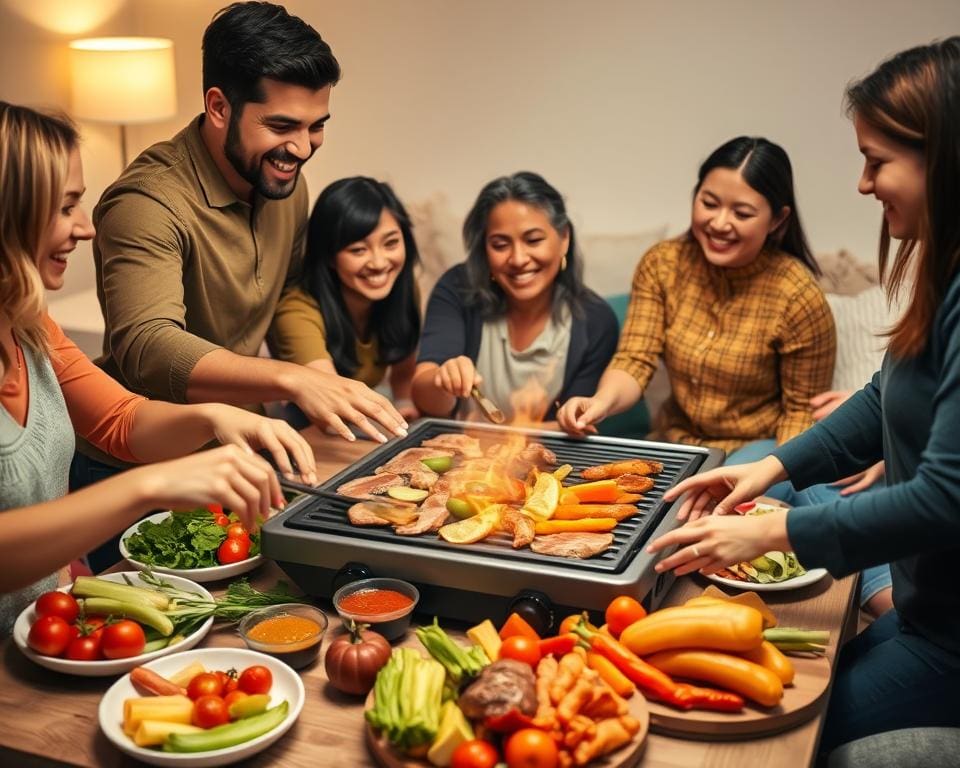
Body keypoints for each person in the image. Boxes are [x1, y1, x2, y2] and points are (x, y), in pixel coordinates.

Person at [647, 37, 960, 754]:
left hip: (950, 641)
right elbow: (887, 394)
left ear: (944, 160)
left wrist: (771, 530)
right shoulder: (945, 268)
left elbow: (947, 497)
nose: (861, 184)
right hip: (926, 613)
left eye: (876, 162)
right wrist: (773, 469)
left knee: (776, 735)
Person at [0, 102, 318, 632]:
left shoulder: (29, 324)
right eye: (65, 207)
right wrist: (151, 486)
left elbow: (120, 421)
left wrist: (214, 417)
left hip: (35, 636)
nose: (85, 228)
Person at [89, 2, 406, 447]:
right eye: (281, 125)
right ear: (219, 107)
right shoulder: (146, 202)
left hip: (243, 445)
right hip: (142, 458)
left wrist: (319, 374)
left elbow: (288, 292)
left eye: (316, 126)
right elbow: (149, 348)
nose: (301, 148)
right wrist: (291, 379)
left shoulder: (285, 182)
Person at [557, 136, 836, 457]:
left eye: (742, 214)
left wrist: (772, 472)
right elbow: (635, 358)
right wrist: (600, 402)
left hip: (757, 448)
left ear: (777, 220)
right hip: (676, 440)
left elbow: (802, 413)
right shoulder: (662, 264)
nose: (719, 223)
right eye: (709, 203)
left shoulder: (798, 296)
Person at [411, 171, 619, 422]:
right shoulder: (457, 288)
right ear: (484, 248)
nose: (518, 259)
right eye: (500, 245)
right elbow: (426, 401)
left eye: (533, 240)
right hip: (461, 453)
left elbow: (575, 425)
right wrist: (440, 381)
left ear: (564, 238)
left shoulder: (596, 319)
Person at [268, 177, 421, 423]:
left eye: (391, 243)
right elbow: (330, 401)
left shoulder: (401, 286)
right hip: (313, 423)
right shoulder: (296, 310)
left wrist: (404, 402)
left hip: (362, 418)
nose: (379, 263)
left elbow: (403, 370)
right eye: (358, 250)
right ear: (329, 256)